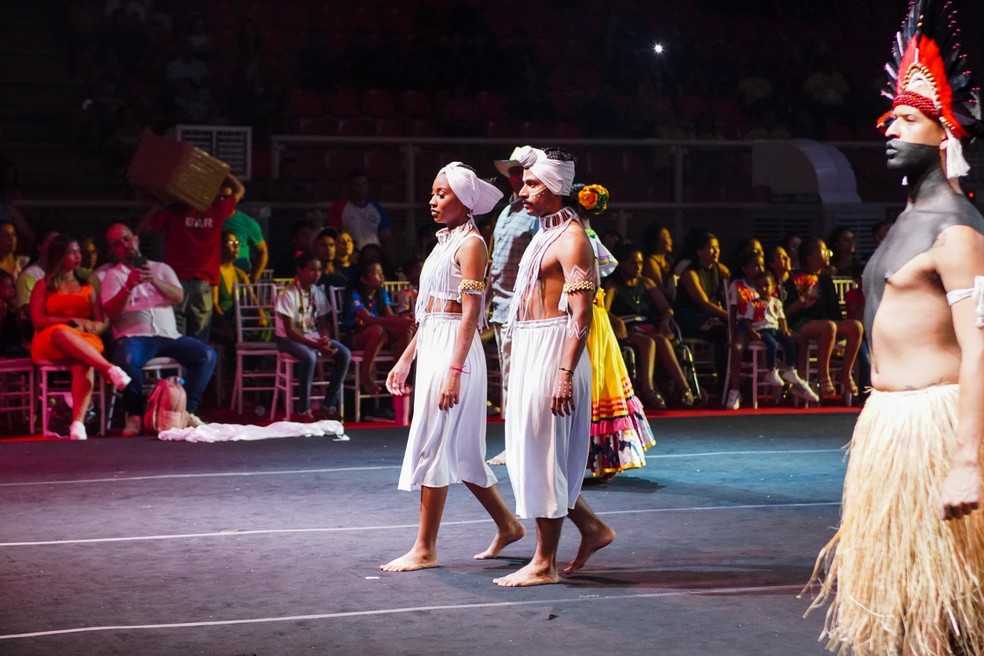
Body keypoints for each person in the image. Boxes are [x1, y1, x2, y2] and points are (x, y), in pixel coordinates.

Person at [805, 2, 984, 653]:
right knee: (901, 616)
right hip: (887, 426)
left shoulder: (957, 229)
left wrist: (968, 461)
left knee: (943, 615)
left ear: (946, 135)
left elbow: (981, 345)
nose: (890, 128)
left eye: (907, 118)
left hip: (933, 430)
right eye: (890, 116)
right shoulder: (902, 225)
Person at [380, 162, 524, 572]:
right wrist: (407, 359)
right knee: (463, 454)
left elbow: (469, 315)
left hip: (455, 353)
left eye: (442, 193)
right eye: (433, 192)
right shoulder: (444, 243)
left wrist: (454, 371)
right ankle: (508, 524)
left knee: (435, 444)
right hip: (435, 345)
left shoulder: (471, 245)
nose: (433, 199)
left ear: (465, 202)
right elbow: (429, 313)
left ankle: (425, 548)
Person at [493, 146, 614, 587]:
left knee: (545, 456)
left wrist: (564, 374)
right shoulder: (544, 232)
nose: (523, 191)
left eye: (532, 184)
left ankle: (544, 563)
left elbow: (581, 315)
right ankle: (592, 529)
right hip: (531, 345)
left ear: (557, 188)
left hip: (553, 350)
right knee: (529, 451)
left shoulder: (572, 238)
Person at [573, 183, 658, 480]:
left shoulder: (580, 237)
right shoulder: (588, 234)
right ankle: (601, 458)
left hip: (588, 317)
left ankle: (597, 456)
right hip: (596, 316)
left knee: (593, 384)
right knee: (599, 382)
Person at [100, 223, 217, 436]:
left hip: (169, 336)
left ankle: (186, 411)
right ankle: (135, 414)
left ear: (135, 239)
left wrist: (153, 279)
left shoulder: (161, 269)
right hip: (134, 337)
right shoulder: (112, 276)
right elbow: (111, 312)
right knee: (126, 359)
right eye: (118, 244)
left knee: (206, 355)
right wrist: (129, 285)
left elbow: (178, 297)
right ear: (113, 251)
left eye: (127, 239)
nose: (125, 245)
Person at [30, 234, 132, 440]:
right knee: (61, 332)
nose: (78, 256)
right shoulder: (43, 285)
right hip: (51, 338)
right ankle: (110, 369)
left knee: (82, 363)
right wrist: (68, 320)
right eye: (72, 252)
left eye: (78, 252)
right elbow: (38, 320)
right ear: (59, 255)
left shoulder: (87, 285)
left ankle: (77, 424)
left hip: (83, 339)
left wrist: (93, 326)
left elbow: (102, 319)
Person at [137, 174, 245, 342]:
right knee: (199, 339)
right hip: (201, 283)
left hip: (174, 282)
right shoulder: (215, 210)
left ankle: (177, 368)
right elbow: (240, 189)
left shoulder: (173, 211)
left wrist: (159, 204)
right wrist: (221, 171)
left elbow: (142, 230)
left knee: (176, 337)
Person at [605, 245, 694, 409]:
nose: (638, 267)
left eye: (640, 263)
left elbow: (667, 309)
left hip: (647, 326)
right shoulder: (613, 285)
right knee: (649, 343)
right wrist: (618, 322)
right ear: (622, 265)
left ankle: (684, 388)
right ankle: (648, 388)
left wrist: (665, 322)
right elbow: (603, 310)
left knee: (660, 339)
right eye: (633, 263)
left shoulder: (646, 283)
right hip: (627, 329)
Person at [729, 254, 816, 406]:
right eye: (755, 266)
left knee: (800, 339)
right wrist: (733, 334)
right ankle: (735, 391)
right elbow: (733, 312)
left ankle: (796, 381)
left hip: (771, 327)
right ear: (745, 268)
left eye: (761, 266)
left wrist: (785, 329)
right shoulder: (738, 285)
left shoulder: (769, 285)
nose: (760, 269)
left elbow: (778, 313)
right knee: (736, 348)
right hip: (747, 326)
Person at [273, 251, 351, 421]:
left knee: (344, 354)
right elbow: (290, 331)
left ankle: (328, 405)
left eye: (319, 270)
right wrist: (317, 346)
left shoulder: (317, 292)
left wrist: (324, 338)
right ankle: (303, 410)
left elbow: (324, 324)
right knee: (309, 357)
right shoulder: (288, 293)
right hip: (288, 339)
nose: (316, 274)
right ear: (299, 271)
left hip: (312, 336)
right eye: (312, 270)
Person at [786, 237, 863, 398]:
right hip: (803, 321)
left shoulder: (825, 277)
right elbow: (787, 309)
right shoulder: (794, 278)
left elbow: (833, 308)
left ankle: (845, 373)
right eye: (822, 251)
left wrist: (840, 322)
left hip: (827, 322)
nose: (828, 254)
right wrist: (803, 302)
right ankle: (823, 375)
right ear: (809, 256)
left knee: (855, 326)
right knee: (828, 327)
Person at [344, 259, 415, 418]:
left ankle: (399, 375)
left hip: (380, 336)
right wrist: (396, 320)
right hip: (356, 336)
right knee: (377, 330)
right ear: (364, 279)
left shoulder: (381, 293)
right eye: (376, 273)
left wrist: (401, 321)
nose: (382, 276)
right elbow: (368, 320)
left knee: (407, 329)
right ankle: (366, 374)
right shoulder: (354, 293)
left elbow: (389, 316)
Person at [673, 230, 731, 405]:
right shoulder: (689, 271)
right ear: (699, 251)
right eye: (711, 248)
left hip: (712, 316)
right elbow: (703, 302)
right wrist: (727, 316)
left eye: (717, 248)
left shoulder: (719, 269)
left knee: (728, 333)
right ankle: (722, 387)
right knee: (721, 333)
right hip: (689, 316)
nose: (716, 252)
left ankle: (728, 385)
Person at [326, 168, 396, 263]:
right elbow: (334, 235)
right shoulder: (339, 208)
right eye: (357, 185)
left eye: (364, 184)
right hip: (350, 259)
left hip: (374, 258)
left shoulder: (377, 209)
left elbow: (386, 237)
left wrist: (390, 262)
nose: (361, 188)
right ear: (349, 186)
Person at [222, 205, 269, 284]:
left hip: (240, 282)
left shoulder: (248, 223)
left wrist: (254, 277)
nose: (236, 247)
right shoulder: (205, 219)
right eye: (230, 243)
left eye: (237, 243)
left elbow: (262, 251)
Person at [641, 221, 676, 302]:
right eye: (667, 236)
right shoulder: (650, 262)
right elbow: (660, 290)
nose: (671, 240)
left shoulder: (669, 260)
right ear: (656, 241)